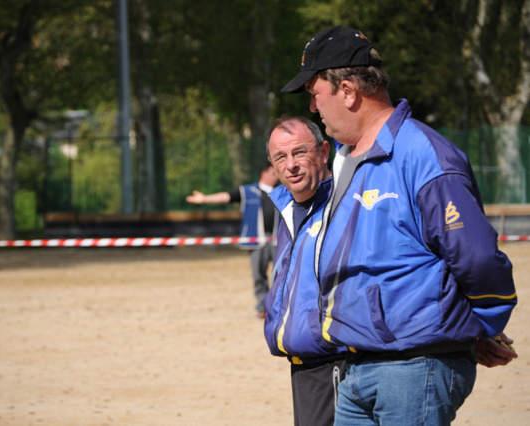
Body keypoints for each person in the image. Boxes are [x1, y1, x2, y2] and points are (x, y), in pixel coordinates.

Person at [280, 25, 518, 425]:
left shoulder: (423, 154)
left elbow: (476, 258)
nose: (313, 109)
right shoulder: (342, 160)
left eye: (315, 94)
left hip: (413, 369)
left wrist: (479, 326)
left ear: (349, 91)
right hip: (356, 368)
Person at [264, 115, 347, 426]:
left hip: (338, 361)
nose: (291, 165)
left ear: (323, 152)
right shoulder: (286, 207)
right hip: (303, 364)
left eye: (299, 152)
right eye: (280, 157)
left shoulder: (344, 201)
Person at [186, 161, 278, 318]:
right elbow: (226, 196)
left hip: (278, 241)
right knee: (259, 276)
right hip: (257, 241)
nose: (277, 175)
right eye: (273, 172)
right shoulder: (248, 191)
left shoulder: (283, 191)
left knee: (281, 274)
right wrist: (204, 199)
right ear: (264, 173)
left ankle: (279, 307)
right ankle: (262, 307)